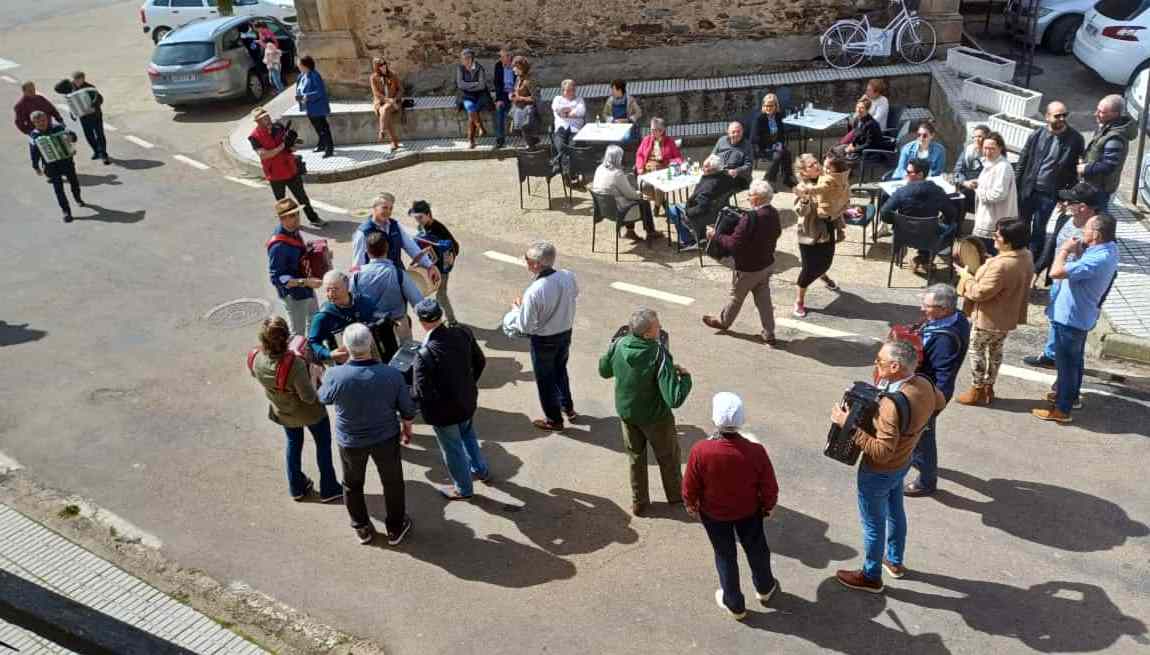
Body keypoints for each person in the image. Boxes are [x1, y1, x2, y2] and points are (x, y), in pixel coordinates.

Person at [831, 339, 946, 592]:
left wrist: (847, 424)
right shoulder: (925, 383)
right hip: (903, 463)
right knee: (895, 511)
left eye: (880, 360)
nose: (876, 363)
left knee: (873, 523)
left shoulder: (891, 405)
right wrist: (914, 431)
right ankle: (894, 561)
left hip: (878, 471)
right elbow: (940, 403)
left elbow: (881, 452)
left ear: (895, 366)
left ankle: (871, 575)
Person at [683, 392, 779, 619]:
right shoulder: (756, 451)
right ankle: (765, 587)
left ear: (715, 419)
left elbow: (690, 483)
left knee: (725, 555)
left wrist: (690, 503)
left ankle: (734, 602)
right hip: (749, 512)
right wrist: (768, 505)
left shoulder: (701, 450)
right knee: (757, 548)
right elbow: (769, 484)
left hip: (713, 514)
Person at [318, 323, 415, 546]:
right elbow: (407, 409)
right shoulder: (391, 374)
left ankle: (361, 527)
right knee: (392, 483)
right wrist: (407, 428)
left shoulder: (335, 375)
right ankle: (395, 527)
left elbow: (324, 398)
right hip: (385, 437)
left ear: (346, 346)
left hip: (351, 441)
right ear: (370, 342)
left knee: (352, 484)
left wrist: (321, 376)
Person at [599, 308, 691, 516]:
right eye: (657, 326)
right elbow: (674, 398)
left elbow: (604, 371)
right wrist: (684, 378)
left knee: (635, 457)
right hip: (656, 417)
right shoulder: (658, 353)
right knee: (668, 456)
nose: (660, 328)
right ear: (647, 334)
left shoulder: (619, 344)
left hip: (627, 413)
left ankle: (639, 502)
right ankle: (676, 497)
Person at [1033, 214, 1119, 424]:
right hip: (1080, 315)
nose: (1083, 233)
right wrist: (1079, 250)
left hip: (1071, 318)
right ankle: (1069, 396)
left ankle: (1063, 409)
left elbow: (1056, 272)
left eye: (1087, 230)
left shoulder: (1097, 259)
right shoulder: (1109, 249)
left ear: (1096, 235)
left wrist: (1064, 250)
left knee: (1066, 365)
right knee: (1074, 361)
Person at [249, 317, 342, 503]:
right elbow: (308, 397)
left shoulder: (256, 358)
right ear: (285, 337)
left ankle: (297, 486)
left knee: (293, 445)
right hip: (311, 413)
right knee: (322, 446)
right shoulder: (295, 364)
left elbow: (257, 376)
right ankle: (329, 488)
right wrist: (315, 375)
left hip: (283, 411)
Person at [411, 299, 490, 500]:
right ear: (441, 315)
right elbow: (480, 361)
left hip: (444, 413)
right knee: (468, 434)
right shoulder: (463, 333)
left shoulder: (424, 353)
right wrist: (468, 385)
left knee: (453, 449)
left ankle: (463, 489)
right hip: (467, 401)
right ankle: (480, 469)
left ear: (421, 321)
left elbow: (422, 392)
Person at [1024, 182, 1104, 372]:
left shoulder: (1097, 230)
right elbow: (1053, 246)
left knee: (1069, 326)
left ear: (1083, 207)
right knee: (1054, 317)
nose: (1065, 203)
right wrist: (1037, 270)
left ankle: (1065, 366)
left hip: (1077, 284)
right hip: (1059, 278)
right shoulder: (1065, 219)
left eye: (1070, 201)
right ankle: (1051, 355)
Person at [954, 219, 1035, 406]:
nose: (994, 238)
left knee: (977, 351)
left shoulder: (1000, 265)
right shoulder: (1026, 256)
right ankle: (989, 387)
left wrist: (966, 278)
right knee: (996, 351)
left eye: (997, 235)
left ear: (1008, 241)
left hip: (988, 319)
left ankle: (977, 390)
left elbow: (979, 292)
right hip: (1007, 317)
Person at [502, 241, 579, 431]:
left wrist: (516, 311)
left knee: (545, 380)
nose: (525, 261)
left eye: (527, 259)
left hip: (544, 340)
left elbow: (525, 326)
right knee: (560, 370)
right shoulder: (568, 276)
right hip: (565, 333)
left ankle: (554, 420)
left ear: (537, 264)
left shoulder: (535, 291)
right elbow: (575, 294)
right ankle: (567, 407)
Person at [904, 285, 970, 497]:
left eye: (927, 306)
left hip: (929, 394)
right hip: (926, 388)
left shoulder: (945, 340)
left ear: (943, 309)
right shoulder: (957, 317)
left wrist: (931, 405)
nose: (922, 308)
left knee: (923, 435)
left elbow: (943, 375)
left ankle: (926, 481)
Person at [701, 180, 783, 346]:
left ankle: (724, 322)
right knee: (763, 298)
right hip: (767, 263)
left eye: (750, 195)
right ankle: (769, 333)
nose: (748, 198)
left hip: (749, 267)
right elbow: (777, 233)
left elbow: (733, 244)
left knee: (736, 296)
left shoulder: (750, 218)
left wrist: (714, 235)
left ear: (758, 199)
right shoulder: (773, 213)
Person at [1015, 101, 1084, 261]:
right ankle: (1019, 257)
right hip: (1029, 190)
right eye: (1057, 115)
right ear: (1047, 117)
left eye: (1064, 115)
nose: (1061, 118)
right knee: (1022, 224)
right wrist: (1017, 186)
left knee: (1039, 229)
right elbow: (1023, 160)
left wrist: (1067, 196)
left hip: (1050, 194)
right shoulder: (1037, 135)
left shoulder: (1075, 139)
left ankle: (1032, 262)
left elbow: (1076, 171)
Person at [349, 233, 424, 362]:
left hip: (370, 333)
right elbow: (418, 303)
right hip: (399, 328)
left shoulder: (356, 276)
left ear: (366, 251)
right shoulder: (399, 273)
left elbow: (351, 304)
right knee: (406, 367)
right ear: (387, 248)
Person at [792, 153, 850, 318]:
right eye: (811, 166)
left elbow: (837, 200)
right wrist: (804, 199)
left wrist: (847, 210)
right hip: (809, 233)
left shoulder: (829, 179)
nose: (816, 166)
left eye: (816, 162)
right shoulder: (804, 186)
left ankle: (822, 274)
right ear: (804, 172)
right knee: (809, 268)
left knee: (826, 260)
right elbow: (800, 211)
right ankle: (799, 301)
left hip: (827, 227)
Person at [248, 107, 326, 227]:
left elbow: (291, 147)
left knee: (302, 198)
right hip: (275, 174)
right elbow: (263, 155)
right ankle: (288, 224)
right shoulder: (254, 136)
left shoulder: (278, 127)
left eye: (267, 116)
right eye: (263, 119)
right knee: (282, 203)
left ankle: (313, 218)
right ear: (257, 122)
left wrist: (292, 145)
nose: (267, 119)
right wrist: (282, 146)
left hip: (290, 169)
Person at [881, 158, 960, 273]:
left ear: (920, 174)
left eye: (909, 172)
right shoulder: (937, 191)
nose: (905, 175)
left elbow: (884, 213)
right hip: (929, 237)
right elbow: (952, 214)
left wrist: (897, 222)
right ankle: (925, 258)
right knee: (948, 228)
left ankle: (921, 259)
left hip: (903, 235)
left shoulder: (902, 191)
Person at [350, 193, 438, 284]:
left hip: (398, 279)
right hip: (376, 283)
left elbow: (412, 248)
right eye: (384, 208)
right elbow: (357, 265)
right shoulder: (363, 233)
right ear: (374, 208)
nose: (388, 211)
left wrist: (429, 266)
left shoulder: (395, 225)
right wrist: (356, 287)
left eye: (390, 208)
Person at [268, 198, 323, 337]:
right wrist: (305, 282)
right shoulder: (278, 246)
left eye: (297, 213)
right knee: (298, 333)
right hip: (294, 296)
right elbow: (277, 278)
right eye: (292, 215)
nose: (297, 217)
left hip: (307, 288)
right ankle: (297, 357)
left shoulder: (293, 231)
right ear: (282, 218)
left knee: (315, 319)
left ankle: (311, 351)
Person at [666, 155, 741, 251]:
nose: (702, 168)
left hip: (706, 216)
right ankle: (700, 234)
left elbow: (701, 208)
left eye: (705, 167)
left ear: (712, 170)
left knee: (672, 209)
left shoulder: (708, 186)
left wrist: (687, 212)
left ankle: (689, 241)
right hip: (720, 211)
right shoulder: (727, 177)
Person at [309, 271, 379, 365]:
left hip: (374, 357)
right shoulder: (322, 316)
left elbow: (378, 321)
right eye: (327, 290)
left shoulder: (365, 302)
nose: (330, 294)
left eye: (335, 289)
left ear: (347, 287)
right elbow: (313, 342)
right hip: (346, 365)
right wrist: (329, 354)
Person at [1078, 94, 1135, 209]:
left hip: (1099, 189)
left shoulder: (1115, 137)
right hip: (1093, 184)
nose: (1096, 114)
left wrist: (1085, 168)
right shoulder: (1107, 126)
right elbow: (1096, 149)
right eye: (1097, 110)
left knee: (1098, 219)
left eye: (1101, 112)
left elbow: (1109, 165)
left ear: (1115, 114)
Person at [591, 144, 657, 243]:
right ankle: (650, 232)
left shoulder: (599, 168)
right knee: (644, 202)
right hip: (619, 212)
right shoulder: (617, 173)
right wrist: (640, 194)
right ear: (618, 158)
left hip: (603, 209)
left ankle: (631, 231)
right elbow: (630, 195)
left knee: (629, 186)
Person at [409, 200, 460, 325]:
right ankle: (439, 318)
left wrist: (445, 256)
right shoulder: (422, 227)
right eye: (416, 218)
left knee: (441, 295)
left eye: (420, 217)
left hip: (442, 269)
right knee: (435, 292)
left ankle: (452, 322)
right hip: (431, 267)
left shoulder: (439, 230)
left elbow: (455, 247)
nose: (418, 220)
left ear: (428, 214)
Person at [965, 131, 1016, 256]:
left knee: (985, 256)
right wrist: (976, 182)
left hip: (993, 221)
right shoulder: (992, 163)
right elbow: (989, 182)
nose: (988, 152)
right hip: (987, 217)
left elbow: (998, 194)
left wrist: (977, 188)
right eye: (985, 148)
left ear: (1000, 148)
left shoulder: (1003, 167)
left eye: (992, 149)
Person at [28, 110, 83, 222]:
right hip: (51, 166)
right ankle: (66, 211)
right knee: (58, 189)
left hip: (66, 161)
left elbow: (74, 137)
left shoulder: (58, 128)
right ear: (34, 123)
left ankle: (78, 198)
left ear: (47, 119)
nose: (42, 123)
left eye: (43, 120)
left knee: (74, 182)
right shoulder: (34, 136)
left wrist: (70, 138)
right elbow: (34, 153)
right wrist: (36, 166)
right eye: (38, 122)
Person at [752, 94, 796, 188]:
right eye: (766, 105)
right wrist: (772, 145)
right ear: (763, 106)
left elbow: (781, 134)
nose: (768, 108)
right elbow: (754, 138)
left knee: (787, 152)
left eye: (771, 105)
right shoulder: (759, 119)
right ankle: (768, 181)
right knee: (778, 155)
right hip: (763, 147)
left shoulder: (778, 116)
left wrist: (779, 143)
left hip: (776, 145)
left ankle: (787, 177)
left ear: (776, 106)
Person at [296, 55, 334, 158]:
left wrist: (307, 96)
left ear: (306, 65)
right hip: (308, 107)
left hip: (318, 106)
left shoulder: (315, 75)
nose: (298, 66)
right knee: (317, 127)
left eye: (299, 64)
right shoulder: (301, 76)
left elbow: (320, 92)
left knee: (323, 128)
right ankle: (321, 144)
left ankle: (329, 148)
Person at [67, 72, 110, 165]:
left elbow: (100, 99)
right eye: (75, 80)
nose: (76, 82)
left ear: (83, 79)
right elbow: (71, 102)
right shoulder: (72, 89)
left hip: (95, 115)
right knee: (88, 135)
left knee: (99, 134)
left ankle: (103, 154)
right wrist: (72, 113)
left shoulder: (90, 87)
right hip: (84, 116)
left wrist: (93, 104)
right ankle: (96, 151)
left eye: (78, 80)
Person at [551, 79, 587, 183]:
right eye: (568, 90)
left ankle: (569, 173)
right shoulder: (557, 99)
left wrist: (566, 113)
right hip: (561, 129)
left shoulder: (579, 100)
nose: (572, 92)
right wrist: (571, 112)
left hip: (575, 129)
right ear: (563, 91)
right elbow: (557, 109)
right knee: (561, 146)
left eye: (573, 89)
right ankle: (568, 173)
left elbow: (581, 111)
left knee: (573, 146)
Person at [456, 48, 492, 149]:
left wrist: (468, 85)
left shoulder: (479, 68)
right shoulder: (460, 68)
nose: (465, 61)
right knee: (471, 107)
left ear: (472, 59)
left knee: (472, 113)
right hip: (465, 95)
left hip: (480, 95)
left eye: (467, 58)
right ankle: (480, 127)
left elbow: (482, 86)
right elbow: (460, 84)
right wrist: (474, 84)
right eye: (463, 59)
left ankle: (471, 140)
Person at [833, 96, 884, 163]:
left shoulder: (871, 124)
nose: (858, 110)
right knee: (834, 151)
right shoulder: (858, 119)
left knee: (838, 156)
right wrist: (852, 144)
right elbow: (856, 135)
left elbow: (869, 144)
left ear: (867, 110)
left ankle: (844, 171)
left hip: (869, 152)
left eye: (862, 108)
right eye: (857, 107)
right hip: (859, 147)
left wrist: (853, 149)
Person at [953, 125, 988, 215]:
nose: (976, 139)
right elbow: (957, 171)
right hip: (967, 185)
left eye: (980, 136)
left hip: (983, 188)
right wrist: (965, 182)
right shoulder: (968, 151)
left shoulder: (989, 153)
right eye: (974, 137)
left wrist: (979, 182)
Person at [369, 58, 402, 150]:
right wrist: (387, 100)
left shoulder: (393, 75)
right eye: (381, 66)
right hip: (380, 102)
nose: (383, 67)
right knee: (385, 112)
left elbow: (401, 90)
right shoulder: (373, 77)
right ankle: (394, 142)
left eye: (384, 64)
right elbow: (376, 93)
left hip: (394, 102)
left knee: (385, 110)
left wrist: (394, 99)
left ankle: (382, 131)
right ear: (376, 67)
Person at [508, 56, 540, 147]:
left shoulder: (530, 80)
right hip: (518, 108)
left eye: (516, 67)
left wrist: (520, 98)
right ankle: (532, 142)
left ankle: (532, 148)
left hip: (527, 110)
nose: (514, 69)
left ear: (522, 67)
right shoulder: (518, 78)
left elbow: (535, 98)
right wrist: (512, 95)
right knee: (515, 130)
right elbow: (517, 91)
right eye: (513, 67)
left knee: (524, 128)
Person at [712, 121, 754, 191]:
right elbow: (713, 156)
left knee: (718, 188)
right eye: (733, 132)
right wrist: (708, 164)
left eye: (738, 131)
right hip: (720, 172)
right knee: (704, 183)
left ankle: (720, 201)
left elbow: (749, 165)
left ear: (742, 132)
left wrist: (736, 171)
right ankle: (694, 201)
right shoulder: (722, 140)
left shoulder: (747, 145)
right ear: (728, 132)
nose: (736, 134)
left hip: (737, 177)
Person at [492, 46, 516, 148]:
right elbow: (497, 84)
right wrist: (499, 99)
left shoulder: (516, 65)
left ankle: (527, 136)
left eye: (503, 57)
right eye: (500, 56)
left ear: (509, 57)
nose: (501, 59)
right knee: (499, 108)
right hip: (504, 94)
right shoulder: (498, 66)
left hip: (516, 93)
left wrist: (516, 95)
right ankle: (500, 139)